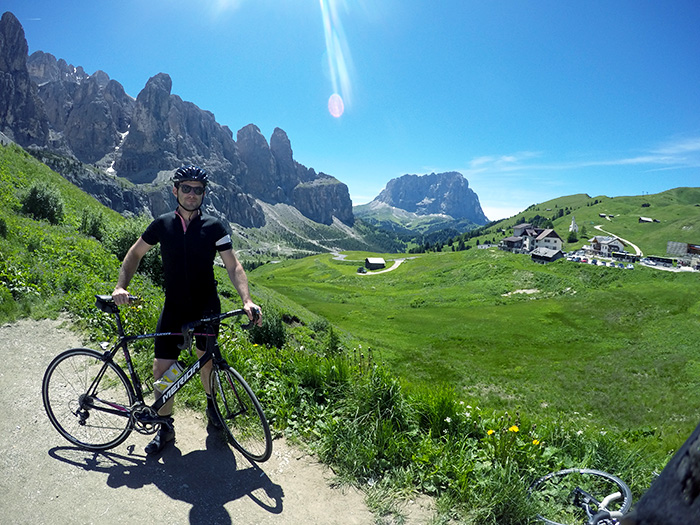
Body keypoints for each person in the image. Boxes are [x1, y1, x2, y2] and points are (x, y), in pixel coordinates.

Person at [112, 165, 262, 455]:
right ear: (175, 190)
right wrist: (121, 286)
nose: (192, 194)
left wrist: (246, 300)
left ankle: (211, 406)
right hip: (174, 308)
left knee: (205, 361)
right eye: (186, 188)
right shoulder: (162, 224)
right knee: (161, 368)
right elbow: (135, 254)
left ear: (204, 193)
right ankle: (165, 428)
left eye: (198, 190)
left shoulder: (214, 227)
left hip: (206, 306)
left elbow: (233, 265)